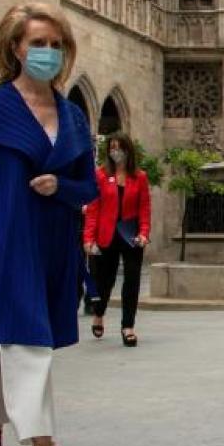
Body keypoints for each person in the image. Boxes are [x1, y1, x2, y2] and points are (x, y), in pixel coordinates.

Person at [0, 2, 97, 446]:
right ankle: (42, 445)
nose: (47, 52)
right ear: (16, 48)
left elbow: (88, 186)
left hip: (53, 241)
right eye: (38, 44)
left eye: (56, 45)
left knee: (8, 341)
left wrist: (60, 187)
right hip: (3, 235)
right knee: (25, 341)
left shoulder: (72, 115)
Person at [83, 132, 152, 347]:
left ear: (128, 150)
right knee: (105, 281)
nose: (116, 151)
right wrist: (88, 239)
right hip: (106, 234)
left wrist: (144, 233)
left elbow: (145, 209)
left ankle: (128, 326)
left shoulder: (139, 177)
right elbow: (93, 209)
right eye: (112, 147)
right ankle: (99, 314)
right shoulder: (100, 175)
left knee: (131, 281)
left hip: (131, 235)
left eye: (119, 147)